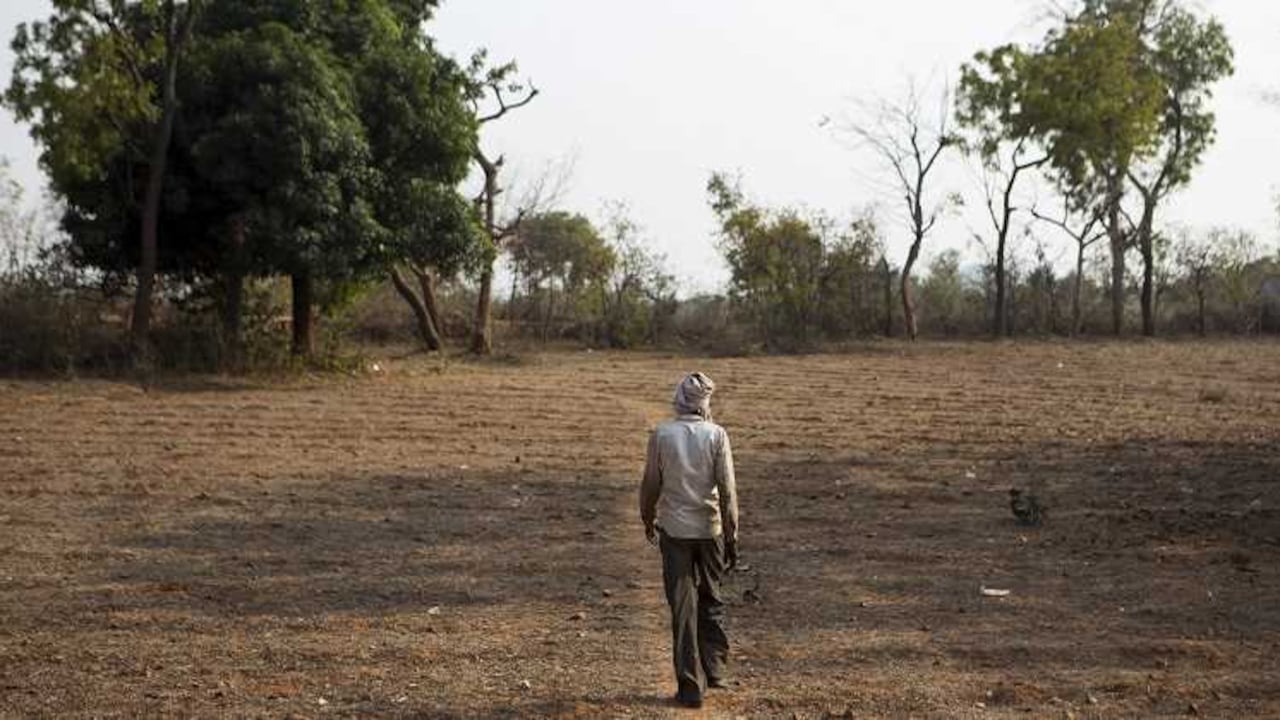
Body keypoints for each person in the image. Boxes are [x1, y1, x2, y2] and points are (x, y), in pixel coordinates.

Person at [639, 371, 739, 709]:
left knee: (682, 609)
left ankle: (690, 686)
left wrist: (647, 517)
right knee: (711, 598)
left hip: (675, 532)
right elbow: (727, 490)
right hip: (710, 531)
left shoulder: (662, 434)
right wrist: (732, 536)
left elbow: (651, 483)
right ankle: (716, 670)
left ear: (679, 400)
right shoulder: (717, 435)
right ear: (704, 403)